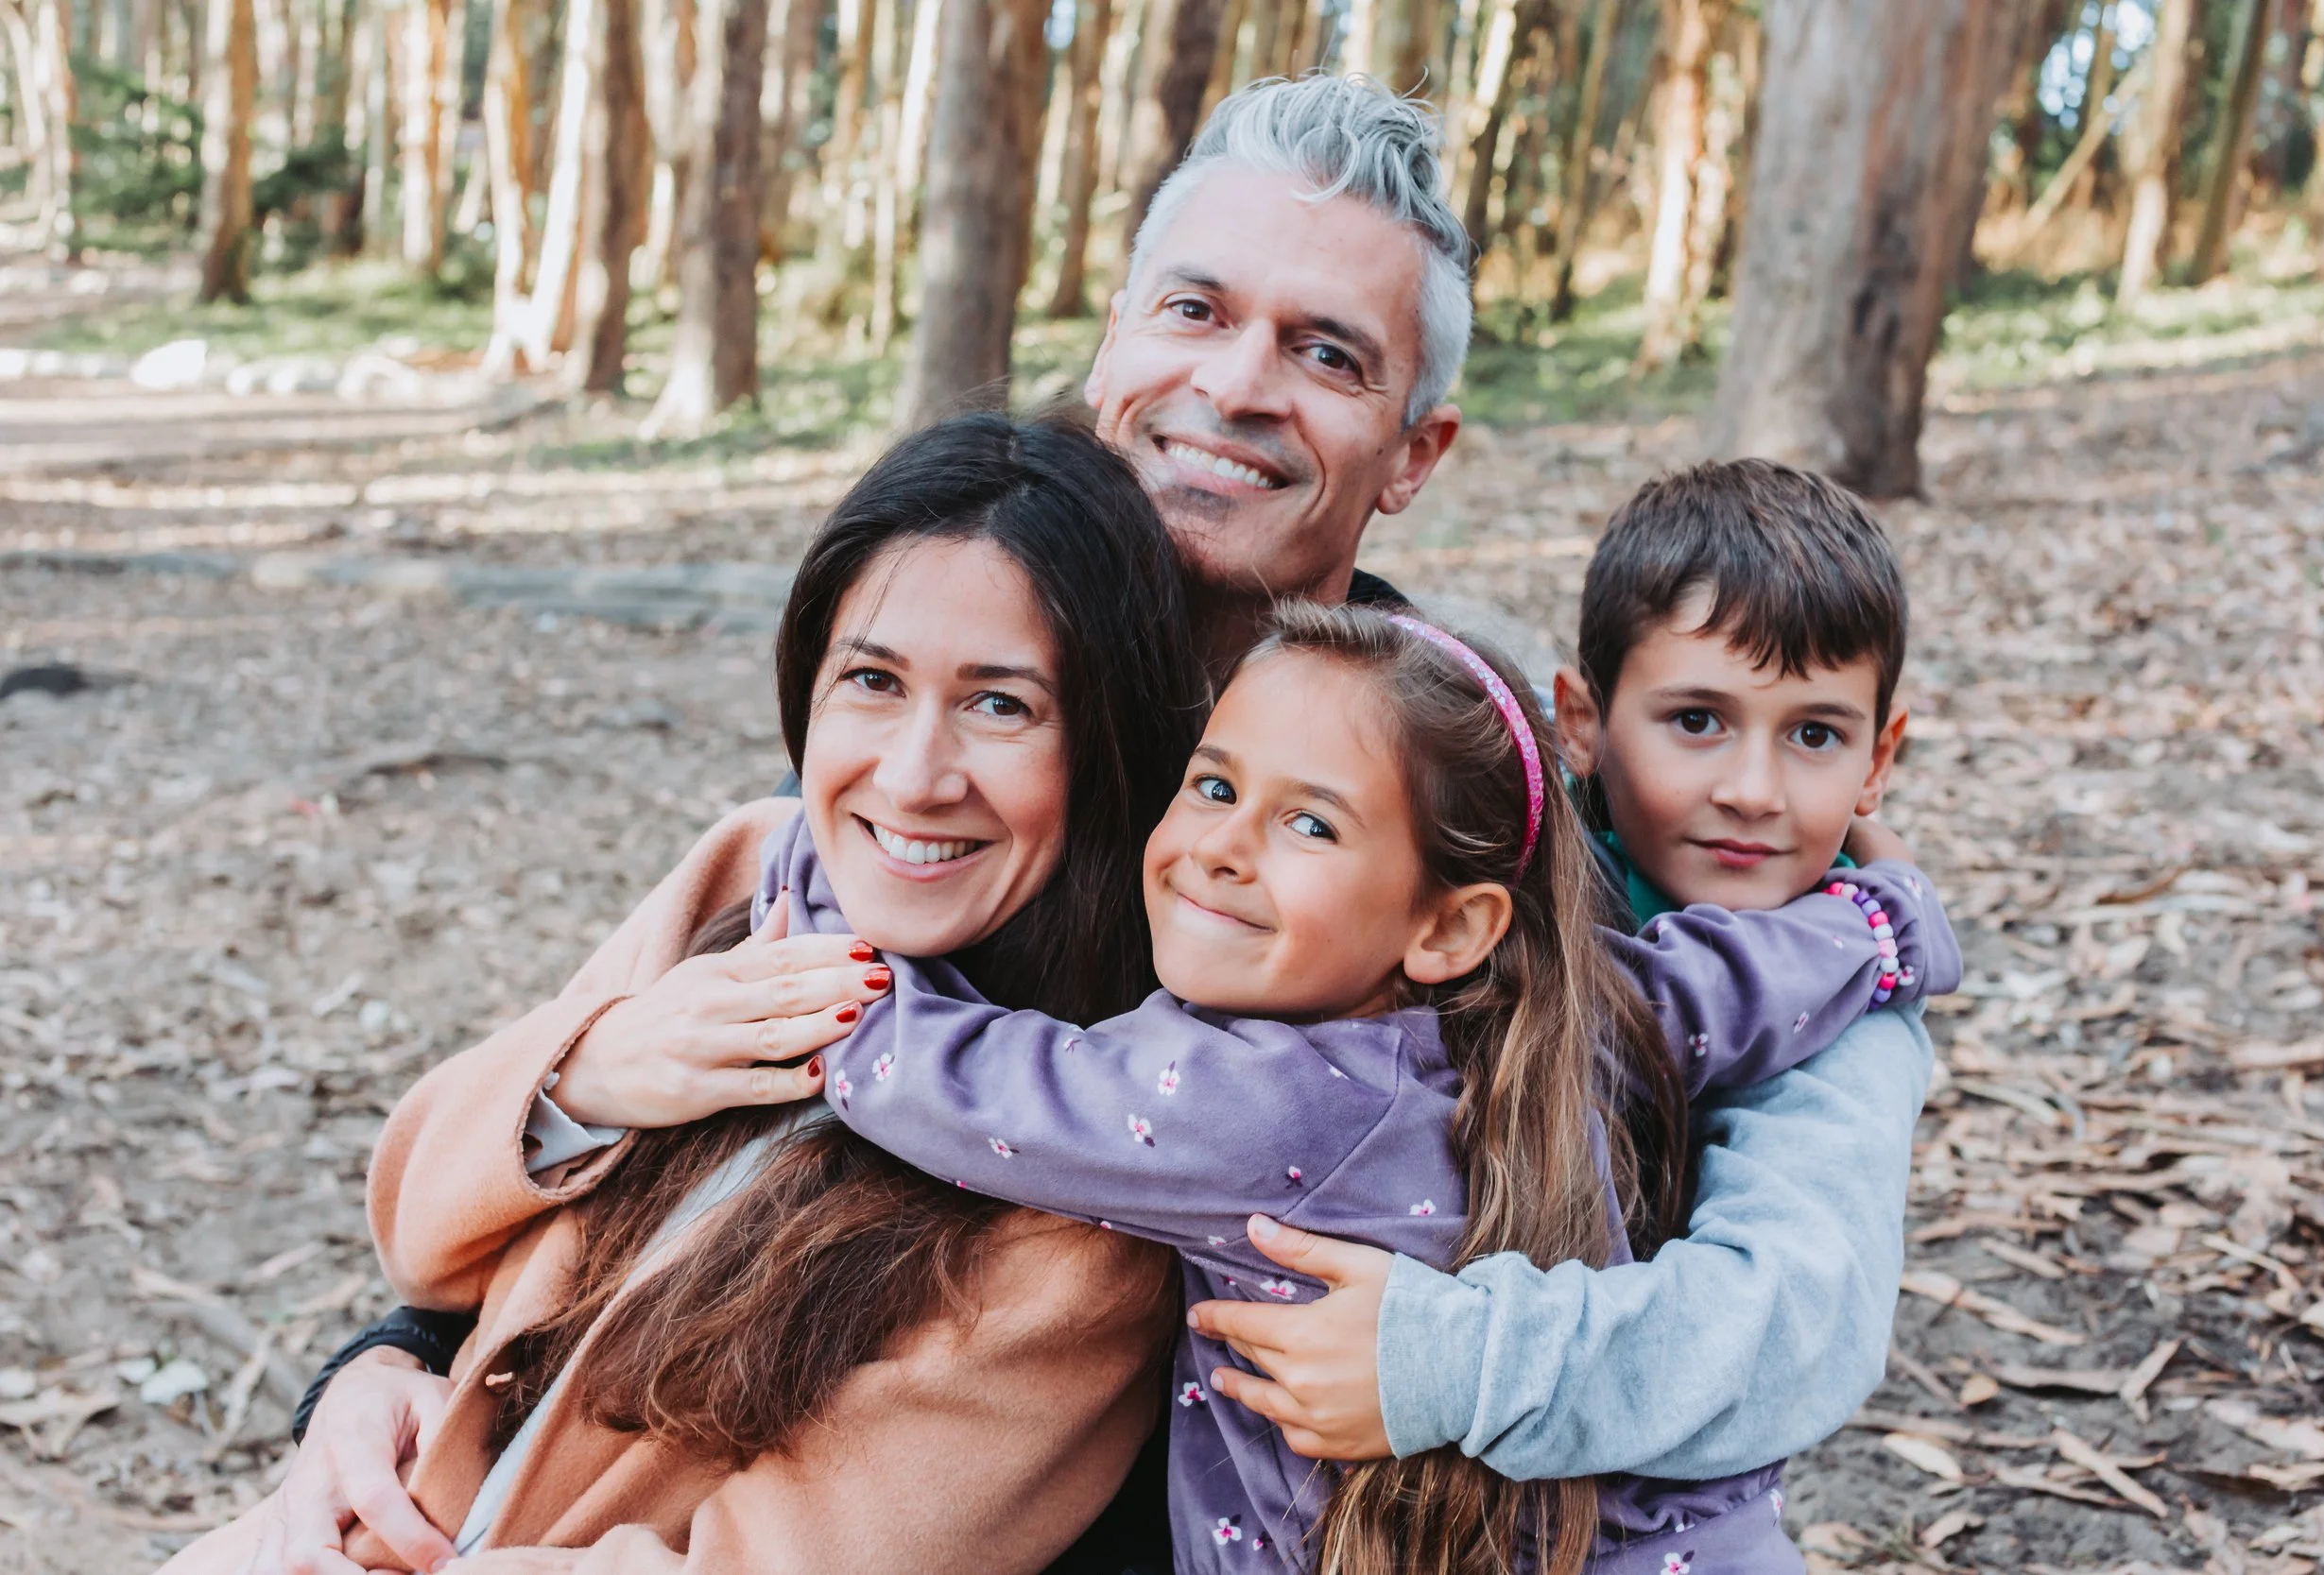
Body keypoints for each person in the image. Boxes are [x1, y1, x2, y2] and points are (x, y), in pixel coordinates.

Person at [289, 74, 1936, 1570]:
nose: (1235, 383)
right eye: (1195, 309)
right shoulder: (945, 770)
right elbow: (665, 1174)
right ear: (1113, 347)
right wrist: (392, 1366)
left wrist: (1454, 1360)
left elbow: (1796, 1320)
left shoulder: (1496, 859)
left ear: (1415, 450)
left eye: (1327, 352)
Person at [162, 413, 1204, 1575]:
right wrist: (589, 1073)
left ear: (1103, 738)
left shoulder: (1089, 1187)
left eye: (1000, 703)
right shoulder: (751, 869)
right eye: (870, 679)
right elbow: (420, 1238)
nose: (913, 776)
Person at [742, 599, 1955, 1575]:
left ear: (1447, 925)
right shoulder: (1565, 1001)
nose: (1222, 843)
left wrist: (813, 857)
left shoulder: (1242, 1100)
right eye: (1213, 786)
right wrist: (1883, 918)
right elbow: (1723, 980)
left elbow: (930, 1076)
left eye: (1309, 827)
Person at [1186, 462, 1957, 1565]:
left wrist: (1442, 1362)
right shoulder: (1523, 858)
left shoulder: (1846, 1017)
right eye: (1697, 718)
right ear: (1583, 721)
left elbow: (1791, 1326)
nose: (1752, 785)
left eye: (1814, 735)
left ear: (1879, 758)